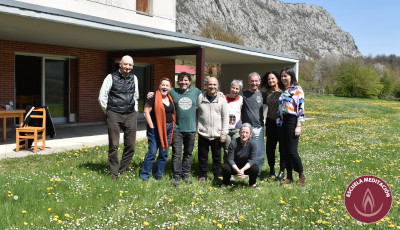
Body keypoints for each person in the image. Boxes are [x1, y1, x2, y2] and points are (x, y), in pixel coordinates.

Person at [98, 55, 138, 180]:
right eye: (125, 64)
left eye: (130, 65)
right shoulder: (111, 77)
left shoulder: (134, 78)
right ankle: (114, 173)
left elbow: (135, 95)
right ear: (120, 64)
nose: (128, 67)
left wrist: (135, 110)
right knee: (114, 145)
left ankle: (123, 169)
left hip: (130, 114)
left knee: (130, 145)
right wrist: (109, 112)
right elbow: (102, 97)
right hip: (114, 113)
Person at [140, 78, 176, 181]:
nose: (164, 87)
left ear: (170, 88)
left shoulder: (170, 98)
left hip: (168, 129)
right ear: (159, 86)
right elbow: (146, 112)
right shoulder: (153, 97)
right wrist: (152, 127)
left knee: (164, 153)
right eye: (163, 85)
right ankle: (144, 176)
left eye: (167, 85)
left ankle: (158, 175)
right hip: (155, 130)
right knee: (152, 153)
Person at [277, 66, 306, 186]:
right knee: (284, 150)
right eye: (282, 76)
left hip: (292, 121)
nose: (283, 78)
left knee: (292, 151)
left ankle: (301, 175)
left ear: (291, 76)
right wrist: (278, 121)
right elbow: (280, 107)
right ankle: (289, 176)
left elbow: (300, 108)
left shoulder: (297, 90)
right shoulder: (284, 90)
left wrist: (298, 125)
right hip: (282, 122)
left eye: (286, 76)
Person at [197, 77, 229, 183]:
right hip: (203, 133)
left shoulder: (222, 99)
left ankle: (216, 175)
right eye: (210, 84)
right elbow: (194, 111)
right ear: (207, 85)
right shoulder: (200, 97)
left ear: (217, 86)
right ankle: (203, 175)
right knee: (203, 156)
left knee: (217, 157)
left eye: (214, 85)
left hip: (217, 134)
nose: (212, 87)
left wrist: (223, 133)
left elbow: (225, 117)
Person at [241, 72, 266, 179]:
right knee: (245, 151)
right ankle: (245, 172)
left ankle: (258, 172)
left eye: (256, 81)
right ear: (248, 81)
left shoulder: (262, 95)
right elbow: (231, 96)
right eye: (252, 81)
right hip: (246, 128)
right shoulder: (243, 94)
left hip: (258, 127)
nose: (254, 83)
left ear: (259, 82)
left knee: (259, 152)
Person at [261, 71, 285, 180]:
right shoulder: (266, 93)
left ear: (278, 79)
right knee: (270, 148)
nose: (271, 81)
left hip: (282, 123)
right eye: (269, 79)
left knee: (282, 148)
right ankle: (271, 170)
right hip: (270, 122)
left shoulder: (284, 92)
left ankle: (282, 170)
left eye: (273, 78)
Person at [221, 123, 259, 189]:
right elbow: (230, 159)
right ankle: (225, 183)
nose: (244, 135)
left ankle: (252, 183)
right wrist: (238, 171)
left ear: (250, 134)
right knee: (225, 167)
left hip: (246, 167)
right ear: (239, 132)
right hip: (234, 166)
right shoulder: (234, 142)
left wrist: (243, 170)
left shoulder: (253, 144)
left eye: (247, 133)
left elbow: (252, 160)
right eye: (242, 132)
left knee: (255, 168)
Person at [222, 80, 243, 161]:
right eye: (233, 87)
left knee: (236, 148)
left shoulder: (241, 99)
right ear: (230, 88)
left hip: (237, 128)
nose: (234, 90)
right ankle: (226, 167)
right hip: (225, 129)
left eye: (237, 88)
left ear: (239, 90)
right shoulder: (223, 98)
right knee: (227, 149)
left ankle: (236, 167)